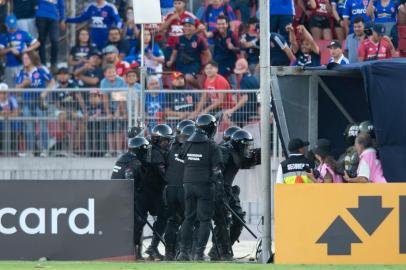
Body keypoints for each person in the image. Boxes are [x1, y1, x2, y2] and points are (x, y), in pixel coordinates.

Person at [178, 114, 224, 261]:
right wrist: (219, 188)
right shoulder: (212, 145)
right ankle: (198, 253)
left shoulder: (187, 143)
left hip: (187, 184)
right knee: (205, 220)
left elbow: (181, 157)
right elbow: (218, 170)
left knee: (188, 218)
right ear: (211, 129)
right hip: (204, 185)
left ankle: (183, 252)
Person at [210, 129, 260, 260]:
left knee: (238, 219)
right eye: (246, 146)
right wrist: (219, 193)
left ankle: (225, 249)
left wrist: (258, 155)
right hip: (219, 191)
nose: (248, 149)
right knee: (223, 221)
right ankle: (217, 251)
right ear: (238, 144)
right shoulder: (224, 152)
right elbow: (216, 173)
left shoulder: (237, 152)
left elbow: (245, 162)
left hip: (228, 191)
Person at [136, 124, 172, 260]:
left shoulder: (155, 151)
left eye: (168, 141)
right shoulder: (155, 153)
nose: (167, 144)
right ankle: (141, 250)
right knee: (140, 222)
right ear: (157, 140)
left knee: (162, 219)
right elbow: (165, 176)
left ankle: (152, 248)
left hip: (153, 193)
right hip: (147, 194)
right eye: (165, 141)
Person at [163, 120, 195, 261]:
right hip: (184, 189)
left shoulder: (170, 148)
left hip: (169, 190)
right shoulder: (192, 149)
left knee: (172, 221)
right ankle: (184, 252)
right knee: (189, 221)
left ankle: (169, 252)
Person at [15, 51, 55, 157]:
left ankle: (45, 150)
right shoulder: (21, 72)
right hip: (27, 102)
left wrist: (44, 93)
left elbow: (52, 82)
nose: (25, 60)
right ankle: (30, 151)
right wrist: (24, 84)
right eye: (23, 58)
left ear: (32, 59)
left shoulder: (41, 70)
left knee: (42, 124)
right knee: (28, 126)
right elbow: (16, 88)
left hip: (39, 101)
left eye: (27, 58)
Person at [167, 17, 211, 89]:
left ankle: (201, 90)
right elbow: (174, 53)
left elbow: (208, 55)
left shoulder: (199, 39)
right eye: (185, 26)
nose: (187, 28)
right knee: (175, 82)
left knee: (188, 77)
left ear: (194, 27)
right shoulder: (178, 39)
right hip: (180, 64)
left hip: (194, 64)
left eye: (189, 26)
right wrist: (171, 61)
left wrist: (205, 67)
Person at [52, 67, 87, 155]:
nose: (63, 76)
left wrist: (85, 111)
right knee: (62, 118)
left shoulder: (73, 84)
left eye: (65, 74)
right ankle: (65, 137)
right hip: (62, 110)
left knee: (82, 124)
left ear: (68, 76)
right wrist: (68, 111)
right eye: (61, 74)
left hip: (75, 109)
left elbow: (79, 98)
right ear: (57, 76)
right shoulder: (55, 87)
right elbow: (57, 104)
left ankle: (75, 148)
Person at [0, 14, 40, 88]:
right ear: (6, 25)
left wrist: (26, 50)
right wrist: (10, 49)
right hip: (9, 66)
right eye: (10, 26)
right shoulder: (3, 36)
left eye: (13, 25)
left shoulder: (23, 33)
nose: (12, 28)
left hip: (22, 65)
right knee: (11, 89)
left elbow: (37, 43)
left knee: (22, 86)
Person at [201, 15, 240, 80]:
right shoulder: (216, 32)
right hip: (217, 62)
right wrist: (204, 29)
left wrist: (233, 48)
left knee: (230, 83)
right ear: (216, 25)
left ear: (227, 25)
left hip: (229, 63)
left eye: (223, 24)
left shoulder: (232, 35)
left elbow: (240, 50)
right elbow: (207, 35)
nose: (221, 26)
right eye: (219, 24)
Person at [100, 64, 127, 157]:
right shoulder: (103, 82)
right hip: (109, 106)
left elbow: (121, 97)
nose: (111, 74)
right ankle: (111, 150)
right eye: (109, 72)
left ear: (116, 72)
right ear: (105, 74)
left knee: (118, 129)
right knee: (109, 129)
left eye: (113, 72)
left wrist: (118, 111)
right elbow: (105, 97)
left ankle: (119, 151)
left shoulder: (121, 81)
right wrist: (108, 112)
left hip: (121, 106)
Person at [225, 58, 259, 126]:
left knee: (226, 116)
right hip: (255, 108)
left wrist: (232, 109)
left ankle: (237, 134)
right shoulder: (253, 78)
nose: (237, 76)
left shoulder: (244, 80)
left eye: (238, 74)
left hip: (247, 110)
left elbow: (244, 98)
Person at [35, 0, 65, 72]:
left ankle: (53, 63)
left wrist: (62, 19)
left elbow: (61, 6)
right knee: (41, 41)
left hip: (53, 18)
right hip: (41, 15)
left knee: (55, 40)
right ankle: (43, 64)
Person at [0, 82, 21, 156]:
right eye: (1, 93)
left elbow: (16, 113)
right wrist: (4, 113)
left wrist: (5, 114)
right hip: (1, 127)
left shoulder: (12, 99)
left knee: (14, 131)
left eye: (4, 92)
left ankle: (14, 153)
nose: (2, 95)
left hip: (12, 127)